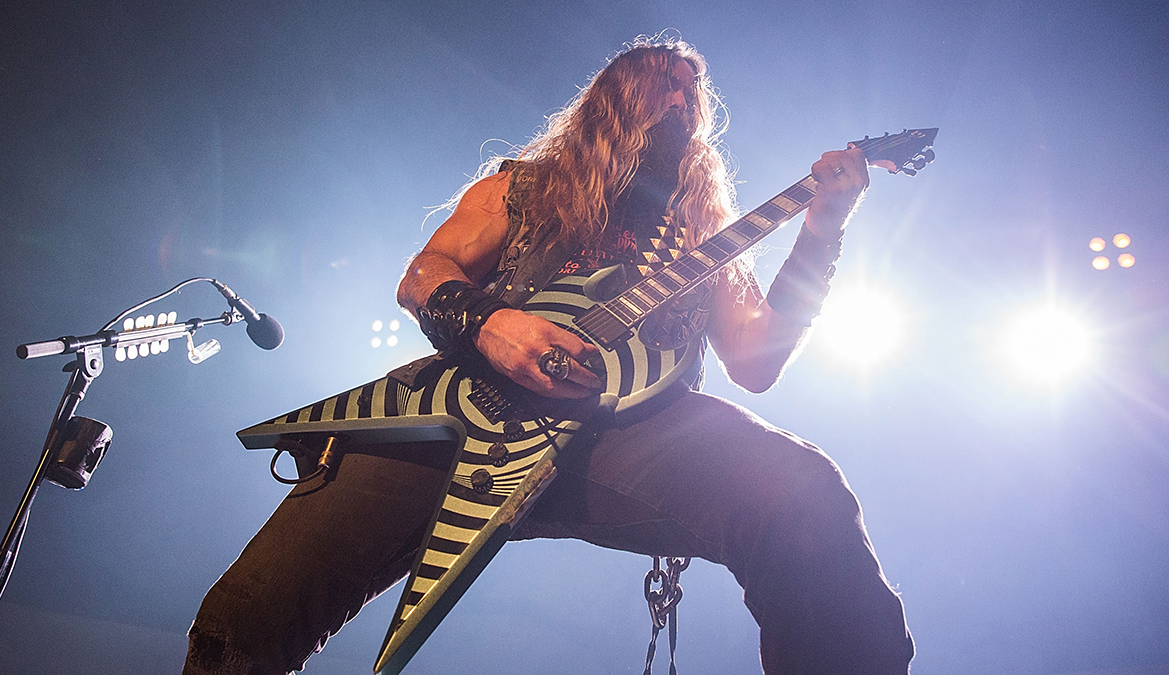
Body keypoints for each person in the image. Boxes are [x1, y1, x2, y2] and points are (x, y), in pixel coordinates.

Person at [184, 37, 914, 675]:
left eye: (693, 89)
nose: (682, 97)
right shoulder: (522, 187)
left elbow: (756, 358)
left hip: (629, 431)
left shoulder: (703, 232)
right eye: (663, 79)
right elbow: (424, 273)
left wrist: (823, 228)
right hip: (458, 409)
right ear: (610, 98)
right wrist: (493, 322)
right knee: (243, 618)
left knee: (805, 497)